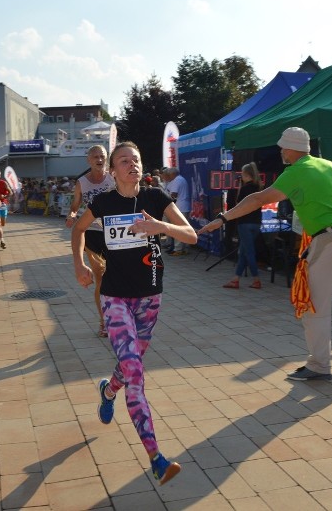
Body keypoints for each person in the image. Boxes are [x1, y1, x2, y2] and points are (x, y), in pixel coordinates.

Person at [199, 127, 332, 381]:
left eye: (284, 147)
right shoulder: (328, 165)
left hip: (328, 238)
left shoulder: (294, 172)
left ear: (293, 149)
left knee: (314, 305)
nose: (281, 151)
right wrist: (331, 206)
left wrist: (223, 217)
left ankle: (319, 366)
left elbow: (257, 199)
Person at [71, 141, 196, 486]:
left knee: (130, 365)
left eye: (136, 160)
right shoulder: (104, 202)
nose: (132, 165)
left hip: (150, 298)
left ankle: (108, 391)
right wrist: (79, 263)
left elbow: (191, 235)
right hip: (115, 298)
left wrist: (162, 227)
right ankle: (156, 457)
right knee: (136, 373)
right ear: (113, 171)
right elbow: (79, 229)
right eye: (124, 161)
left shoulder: (157, 198)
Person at [65, 145, 116, 337]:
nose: (99, 159)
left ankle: (120, 314)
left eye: (102, 156)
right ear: (88, 160)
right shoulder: (82, 183)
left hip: (114, 231)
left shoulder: (114, 177)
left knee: (118, 275)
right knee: (101, 277)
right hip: (92, 233)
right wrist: (71, 215)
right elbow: (75, 204)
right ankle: (104, 321)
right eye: (95, 156)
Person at [222, 162, 263, 290]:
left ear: (245, 174)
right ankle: (236, 279)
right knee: (244, 251)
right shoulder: (259, 187)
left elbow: (238, 204)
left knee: (248, 251)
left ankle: (256, 279)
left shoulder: (245, 188)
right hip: (256, 222)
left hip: (244, 222)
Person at [163, 167, 191, 255]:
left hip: (180, 207)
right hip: (183, 207)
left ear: (172, 174)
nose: (168, 176)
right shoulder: (180, 179)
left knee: (178, 228)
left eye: (169, 175)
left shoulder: (177, 180)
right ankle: (185, 248)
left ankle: (178, 249)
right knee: (184, 228)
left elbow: (173, 194)